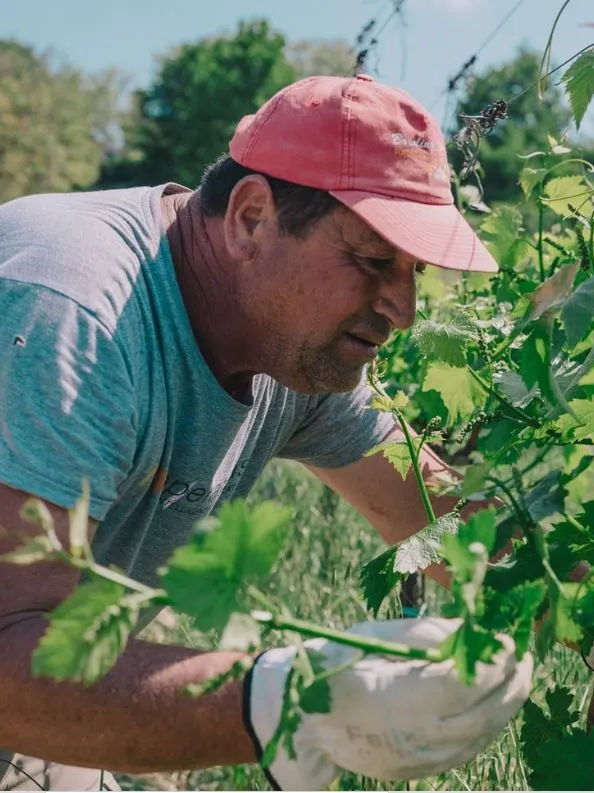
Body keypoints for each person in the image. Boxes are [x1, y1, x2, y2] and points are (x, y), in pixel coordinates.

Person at [0, 74, 533, 792]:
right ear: (252, 217)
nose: (404, 308)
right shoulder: (75, 319)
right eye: (375, 261)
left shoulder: (290, 350)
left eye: (414, 271)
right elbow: (8, 657)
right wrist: (287, 700)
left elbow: (441, 519)